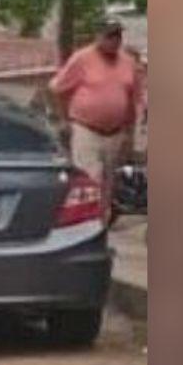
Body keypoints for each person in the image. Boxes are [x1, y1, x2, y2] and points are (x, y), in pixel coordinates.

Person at [49, 18, 142, 222]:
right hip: (86, 129)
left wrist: (130, 133)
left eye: (118, 35)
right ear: (98, 36)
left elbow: (134, 99)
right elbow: (57, 89)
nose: (114, 40)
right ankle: (85, 224)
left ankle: (100, 225)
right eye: (109, 35)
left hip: (116, 132)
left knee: (108, 184)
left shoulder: (128, 63)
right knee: (92, 179)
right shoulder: (81, 59)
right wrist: (63, 118)